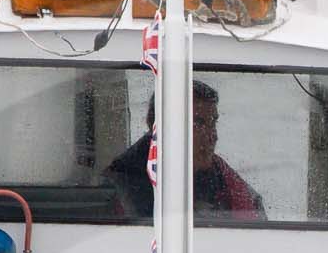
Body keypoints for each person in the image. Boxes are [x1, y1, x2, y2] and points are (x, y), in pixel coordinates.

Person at [106, 80, 266, 219]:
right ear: (161, 128)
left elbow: (258, 235)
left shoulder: (225, 180)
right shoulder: (121, 185)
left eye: (213, 123)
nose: (212, 136)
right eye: (198, 123)